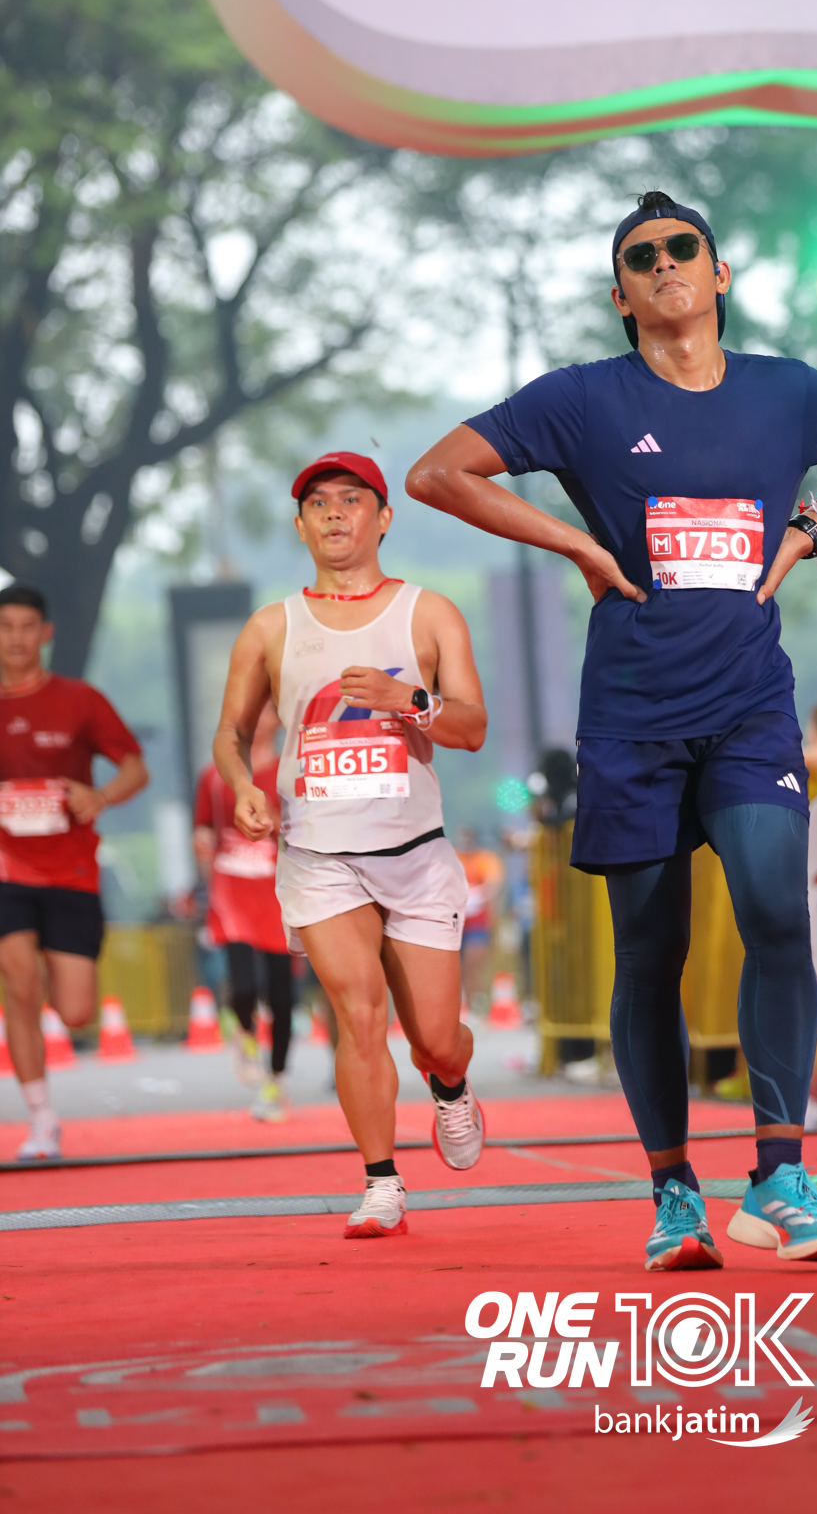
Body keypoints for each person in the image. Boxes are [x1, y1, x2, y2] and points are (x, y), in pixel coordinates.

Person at [406, 188, 817, 1270]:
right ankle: (674, 1192)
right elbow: (437, 473)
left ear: (719, 275)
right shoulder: (584, 399)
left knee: (776, 911)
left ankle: (779, 1176)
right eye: (642, 258)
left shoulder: (786, 392)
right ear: (621, 294)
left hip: (749, 703)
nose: (665, 264)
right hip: (632, 714)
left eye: (684, 248)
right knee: (651, 950)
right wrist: (576, 545)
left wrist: (808, 530)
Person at [212, 451, 488, 1239]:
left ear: (383, 517)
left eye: (352, 499)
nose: (335, 513)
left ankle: (450, 1083)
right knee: (357, 1014)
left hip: (416, 851)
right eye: (319, 503)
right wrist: (243, 786)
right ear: (301, 526)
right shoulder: (271, 627)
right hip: (319, 856)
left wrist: (409, 700)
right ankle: (381, 1181)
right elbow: (230, 734)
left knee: (435, 1038)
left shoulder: (428, 614)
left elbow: (472, 727)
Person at [0, 583, 148, 1160]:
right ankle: (41, 1120)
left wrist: (99, 796)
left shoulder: (80, 700)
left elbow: (134, 768)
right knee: (19, 981)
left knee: (76, 1010)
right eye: (5, 626)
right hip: (7, 870)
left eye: (26, 627)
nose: (15, 638)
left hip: (72, 871)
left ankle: (43, 981)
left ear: (46, 633)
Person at [193, 702, 294, 1120]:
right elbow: (203, 829)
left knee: (282, 995)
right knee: (244, 983)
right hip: (232, 890)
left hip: (277, 893)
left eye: (268, 709)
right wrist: (205, 858)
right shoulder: (214, 776)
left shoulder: (291, 772)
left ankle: (276, 1081)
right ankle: (245, 1032)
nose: (259, 717)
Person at [455, 826, 505, 1010]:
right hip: (455, 922)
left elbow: (493, 884)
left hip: (478, 923)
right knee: (456, 967)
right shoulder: (453, 858)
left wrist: (478, 895)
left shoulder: (485, 859)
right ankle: (463, 1005)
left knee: (473, 964)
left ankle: (476, 1003)